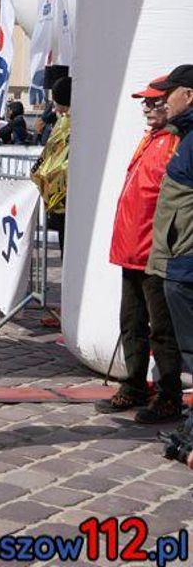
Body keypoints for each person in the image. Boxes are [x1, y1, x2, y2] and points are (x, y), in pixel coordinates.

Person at [96, 76, 183, 423]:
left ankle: (168, 396)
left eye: (153, 101)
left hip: (156, 253)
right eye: (144, 102)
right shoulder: (152, 139)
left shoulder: (177, 141)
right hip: (131, 250)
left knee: (162, 329)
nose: (146, 107)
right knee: (131, 322)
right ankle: (134, 383)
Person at [145, 65, 193, 448]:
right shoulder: (184, 134)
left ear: (188, 95)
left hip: (186, 263)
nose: (162, 100)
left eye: (168, 92)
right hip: (178, 261)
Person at [31, 77, 71, 254]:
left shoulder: (65, 124)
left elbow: (50, 156)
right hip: (64, 195)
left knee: (67, 245)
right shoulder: (66, 122)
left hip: (63, 195)